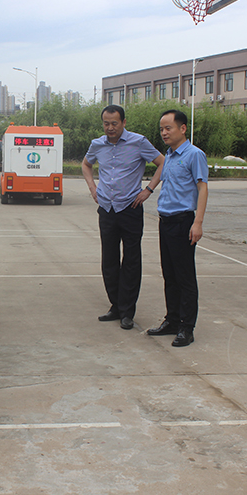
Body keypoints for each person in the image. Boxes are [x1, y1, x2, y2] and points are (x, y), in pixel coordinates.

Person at [82, 105, 165, 331]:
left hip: (130, 208)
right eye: (106, 124)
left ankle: (127, 311)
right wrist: (92, 187)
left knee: (131, 260)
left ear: (124, 122)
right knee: (109, 260)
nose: (110, 128)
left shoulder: (139, 142)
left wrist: (148, 190)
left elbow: (162, 162)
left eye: (114, 123)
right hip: (107, 209)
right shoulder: (97, 144)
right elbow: (86, 164)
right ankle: (116, 306)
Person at [146, 109, 208, 347]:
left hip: (183, 222)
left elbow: (202, 188)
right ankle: (172, 320)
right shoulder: (169, 156)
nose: (164, 133)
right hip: (166, 221)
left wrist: (197, 222)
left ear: (183, 128)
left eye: (168, 128)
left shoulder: (194, 155)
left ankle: (186, 327)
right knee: (169, 275)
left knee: (185, 277)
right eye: (161, 129)